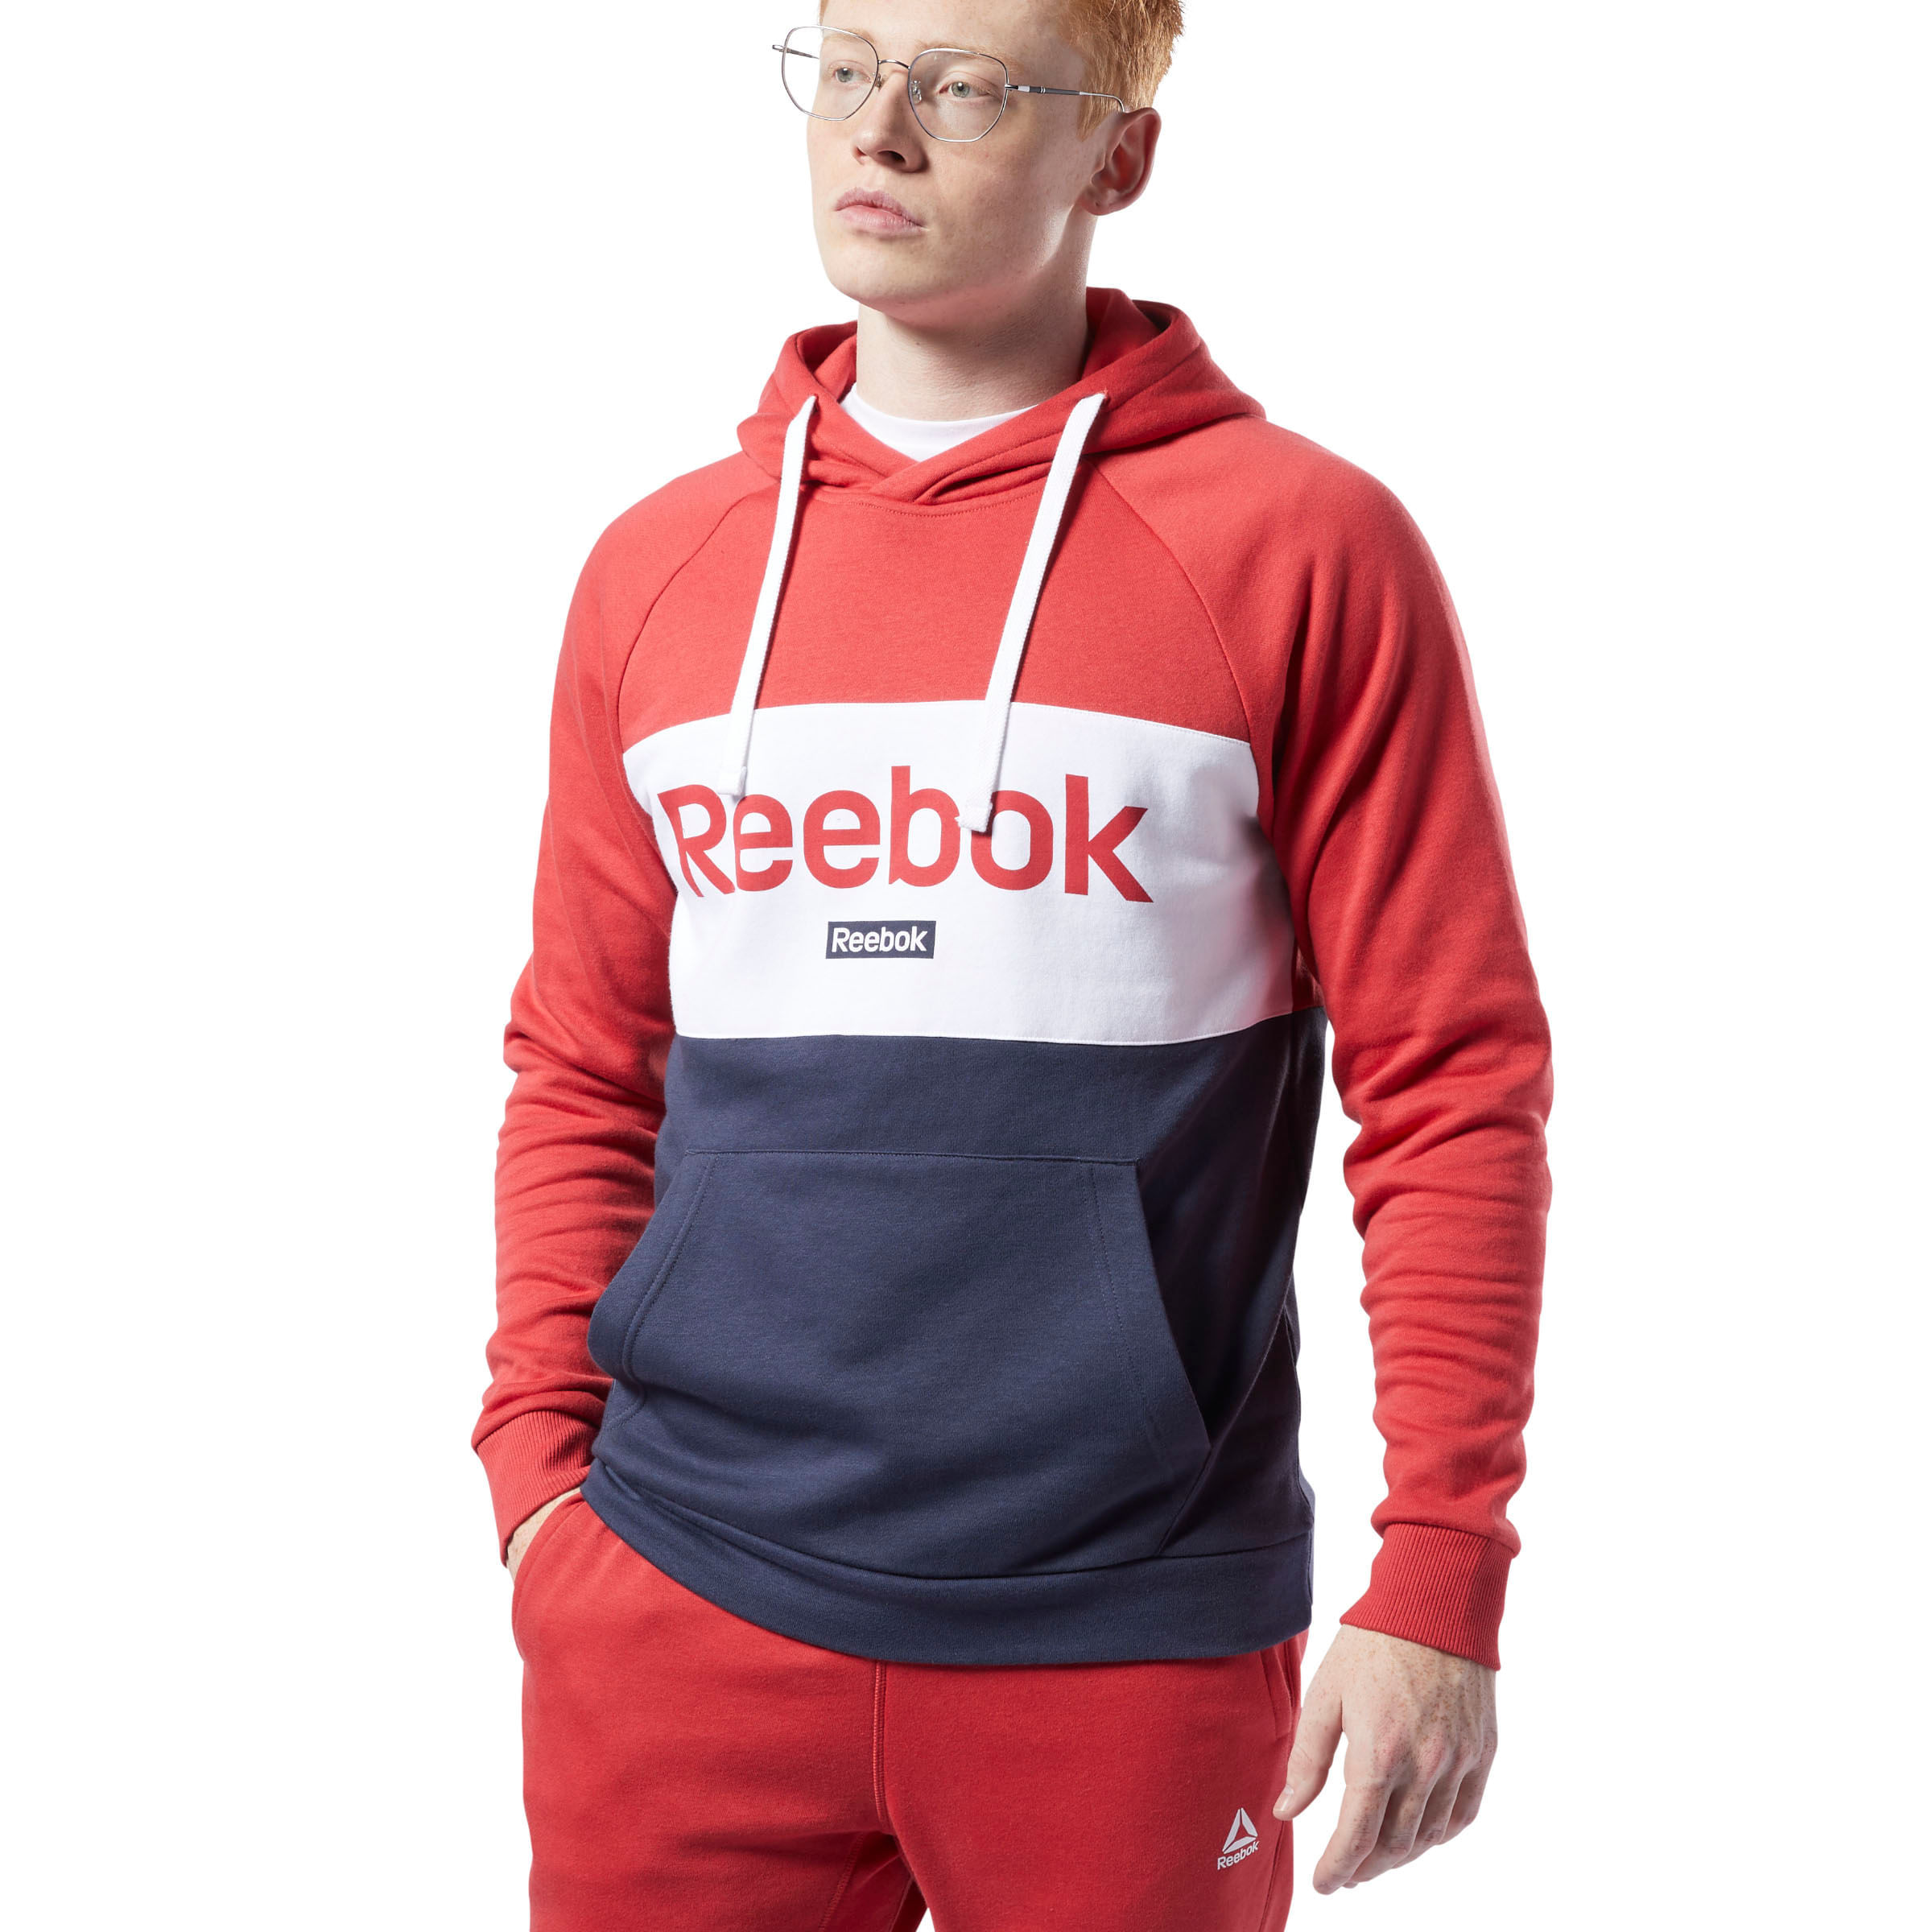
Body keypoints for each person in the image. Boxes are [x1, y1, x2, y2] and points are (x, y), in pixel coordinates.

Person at [473, 3, 1554, 1926]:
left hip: (1127, 1632)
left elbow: (1452, 1078)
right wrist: (535, 1478)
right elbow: (580, 1059)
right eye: (848, 64)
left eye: (967, 85)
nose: (880, 129)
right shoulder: (660, 570)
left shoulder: (1300, 548)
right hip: (675, 1598)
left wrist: (1442, 1577)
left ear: (1117, 156)